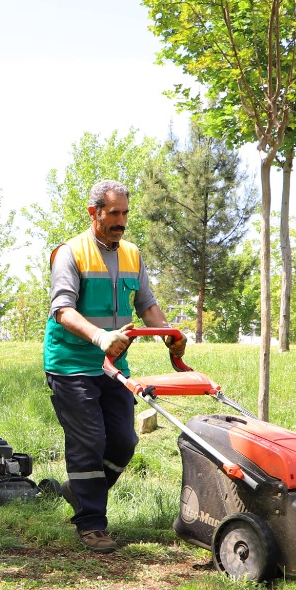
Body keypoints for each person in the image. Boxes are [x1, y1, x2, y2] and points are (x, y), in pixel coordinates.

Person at [44, 179, 184, 552]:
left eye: (125, 213)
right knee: (88, 441)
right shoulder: (70, 254)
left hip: (112, 366)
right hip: (71, 363)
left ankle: (81, 490)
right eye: (113, 213)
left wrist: (167, 332)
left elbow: (147, 304)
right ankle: (91, 522)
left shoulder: (132, 255)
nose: (120, 221)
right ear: (94, 213)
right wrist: (100, 336)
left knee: (122, 442)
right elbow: (62, 310)